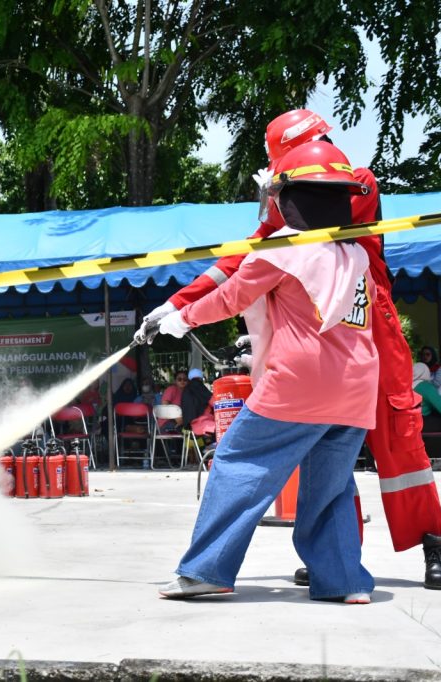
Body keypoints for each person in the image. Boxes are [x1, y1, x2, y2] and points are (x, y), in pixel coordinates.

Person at [135, 108, 441, 591]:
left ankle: (434, 543)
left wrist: (183, 314)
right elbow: (248, 256)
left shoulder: (345, 186)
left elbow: (252, 272)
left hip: (362, 334)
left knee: (399, 442)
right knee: (332, 471)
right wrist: (175, 302)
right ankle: (340, 573)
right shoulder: (320, 203)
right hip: (353, 349)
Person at [155, 140, 378, 603]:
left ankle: (208, 569)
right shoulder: (356, 255)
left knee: (238, 463)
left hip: (299, 385)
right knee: (332, 486)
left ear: (288, 196)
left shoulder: (283, 249)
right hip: (357, 387)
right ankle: (345, 582)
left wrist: (181, 319)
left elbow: (230, 297)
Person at [180, 368, 215, 440]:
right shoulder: (198, 386)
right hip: (202, 424)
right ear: (200, 378)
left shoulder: (186, 390)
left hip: (190, 426)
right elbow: (214, 402)